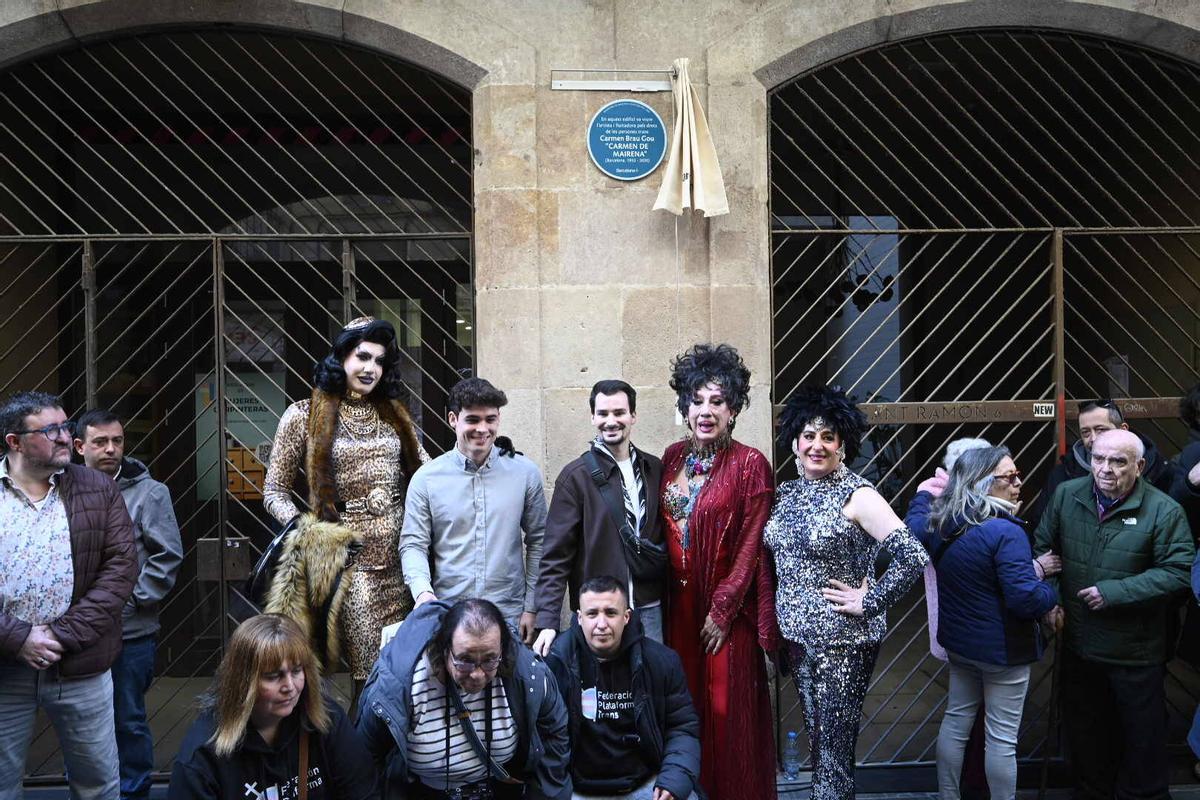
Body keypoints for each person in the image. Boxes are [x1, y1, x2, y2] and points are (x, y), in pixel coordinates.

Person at [763, 385, 927, 800]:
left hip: (843, 645)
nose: (816, 446)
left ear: (842, 445)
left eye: (828, 437)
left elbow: (913, 556)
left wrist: (868, 601)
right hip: (798, 642)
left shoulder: (859, 495)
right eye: (808, 436)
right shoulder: (787, 493)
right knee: (821, 748)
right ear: (794, 442)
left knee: (834, 754)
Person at [262, 316, 427, 689]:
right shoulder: (303, 415)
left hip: (403, 561)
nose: (371, 369)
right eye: (363, 357)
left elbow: (429, 474)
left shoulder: (393, 414)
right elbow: (273, 490)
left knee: (406, 674)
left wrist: (478, 456)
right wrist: (309, 531)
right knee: (370, 677)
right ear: (341, 358)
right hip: (351, 565)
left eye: (379, 361)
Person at [1035, 429, 1194, 800]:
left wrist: (1113, 593)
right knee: (1086, 738)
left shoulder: (1164, 511)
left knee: (1141, 744)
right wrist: (1051, 600)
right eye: (1098, 459)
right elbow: (1044, 548)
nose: (1105, 469)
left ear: (1139, 466)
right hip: (1078, 644)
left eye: (1118, 461)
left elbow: (1178, 572)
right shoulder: (1067, 494)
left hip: (1134, 653)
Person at [0, 391, 137, 800]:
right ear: (15, 442)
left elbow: (121, 569)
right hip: (5, 669)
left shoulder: (98, 488)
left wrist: (60, 635)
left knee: (98, 785)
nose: (64, 437)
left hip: (81, 665)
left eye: (65, 426)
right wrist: (18, 638)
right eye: (50, 430)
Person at [658, 343, 777, 800]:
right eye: (697, 401)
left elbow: (752, 543)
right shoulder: (671, 457)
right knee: (684, 709)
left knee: (729, 715)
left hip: (727, 612)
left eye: (718, 401)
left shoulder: (751, 464)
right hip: (678, 609)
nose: (706, 411)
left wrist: (723, 609)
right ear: (684, 407)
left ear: (734, 409)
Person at [906, 445, 1058, 800]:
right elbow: (1024, 598)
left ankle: (948, 796)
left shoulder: (942, 522)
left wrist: (922, 495)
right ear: (982, 483)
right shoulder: (1006, 532)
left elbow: (914, 526)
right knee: (1001, 739)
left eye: (1017, 475)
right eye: (1009, 477)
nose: (1018, 483)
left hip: (960, 646)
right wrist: (1050, 593)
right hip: (1002, 653)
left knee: (956, 721)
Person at [355, 597, 570, 800]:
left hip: (500, 789)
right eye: (465, 661)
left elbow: (554, 735)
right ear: (444, 650)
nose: (477, 674)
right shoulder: (401, 684)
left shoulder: (526, 674)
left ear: (502, 652)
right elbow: (366, 759)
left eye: (489, 660)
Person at [75, 408, 184, 800]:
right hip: (79, 632)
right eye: (101, 442)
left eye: (117, 441)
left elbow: (167, 556)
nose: (111, 449)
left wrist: (132, 600)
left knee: (128, 720)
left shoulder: (149, 493)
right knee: (80, 722)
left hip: (131, 632)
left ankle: (134, 794)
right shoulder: (65, 491)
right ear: (80, 446)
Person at [401, 378, 548, 645]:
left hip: (509, 615)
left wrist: (532, 606)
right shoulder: (427, 479)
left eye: (490, 419)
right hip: (448, 615)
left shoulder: (525, 473)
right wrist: (423, 594)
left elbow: (540, 540)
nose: (482, 429)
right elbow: (413, 544)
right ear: (453, 419)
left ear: (499, 418)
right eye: (472, 420)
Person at [168, 613, 378, 800]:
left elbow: (364, 791)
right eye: (273, 676)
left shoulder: (326, 720)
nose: (290, 686)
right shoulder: (202, 756)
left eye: (296, 671)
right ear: (243, 683)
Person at [533, 380, 665, 657]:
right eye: (603, 413)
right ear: (593, 417)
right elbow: (555, 556)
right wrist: (547, 621)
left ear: (633, 415)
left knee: (652, 681)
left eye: (619, 412)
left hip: (648, 609)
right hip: (599, 614)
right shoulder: (575, 477)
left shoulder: (653, 468)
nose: (611, 421)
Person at [545, 575, 699, 800]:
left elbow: (682, 727)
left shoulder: (660, 662)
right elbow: (545, 741)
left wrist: (673, 780)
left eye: (610, 613)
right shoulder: (556, 663)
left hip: (644, 785)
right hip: (578, 790)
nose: (601, 624)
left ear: (626, 616)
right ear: (579, 618)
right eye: (592, 614)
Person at [1026, 398, 1176, 531]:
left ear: (1123, 429)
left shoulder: (1158, 470)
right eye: (1086, 432)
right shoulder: (1063, 475)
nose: (1093, 438)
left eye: (1101, 430)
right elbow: (1042, 528)